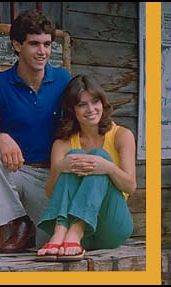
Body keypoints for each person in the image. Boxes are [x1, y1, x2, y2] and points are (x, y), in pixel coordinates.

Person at [0, 10, 71, 253]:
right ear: (17, 45)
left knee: (53, 248)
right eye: (34, 44)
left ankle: (35, 230)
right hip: (15, 173)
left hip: (51, 178)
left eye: (47, 44)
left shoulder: (63, 80)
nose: (42, 52)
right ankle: (19, 222)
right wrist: (0, 136)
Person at [36, 74, 136, 261]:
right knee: (73, 157)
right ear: (72, 109)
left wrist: (108, 167)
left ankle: (76, 229)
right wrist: (60, 168)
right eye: (82, 104)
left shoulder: (121, 135)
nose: (91, 109)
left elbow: (130, 186)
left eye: (95, 102)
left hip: (110, 226)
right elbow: (50, 193)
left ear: (103, 103)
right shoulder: (62, 143)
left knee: (100, 156)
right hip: (73, 242)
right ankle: (60, 232)